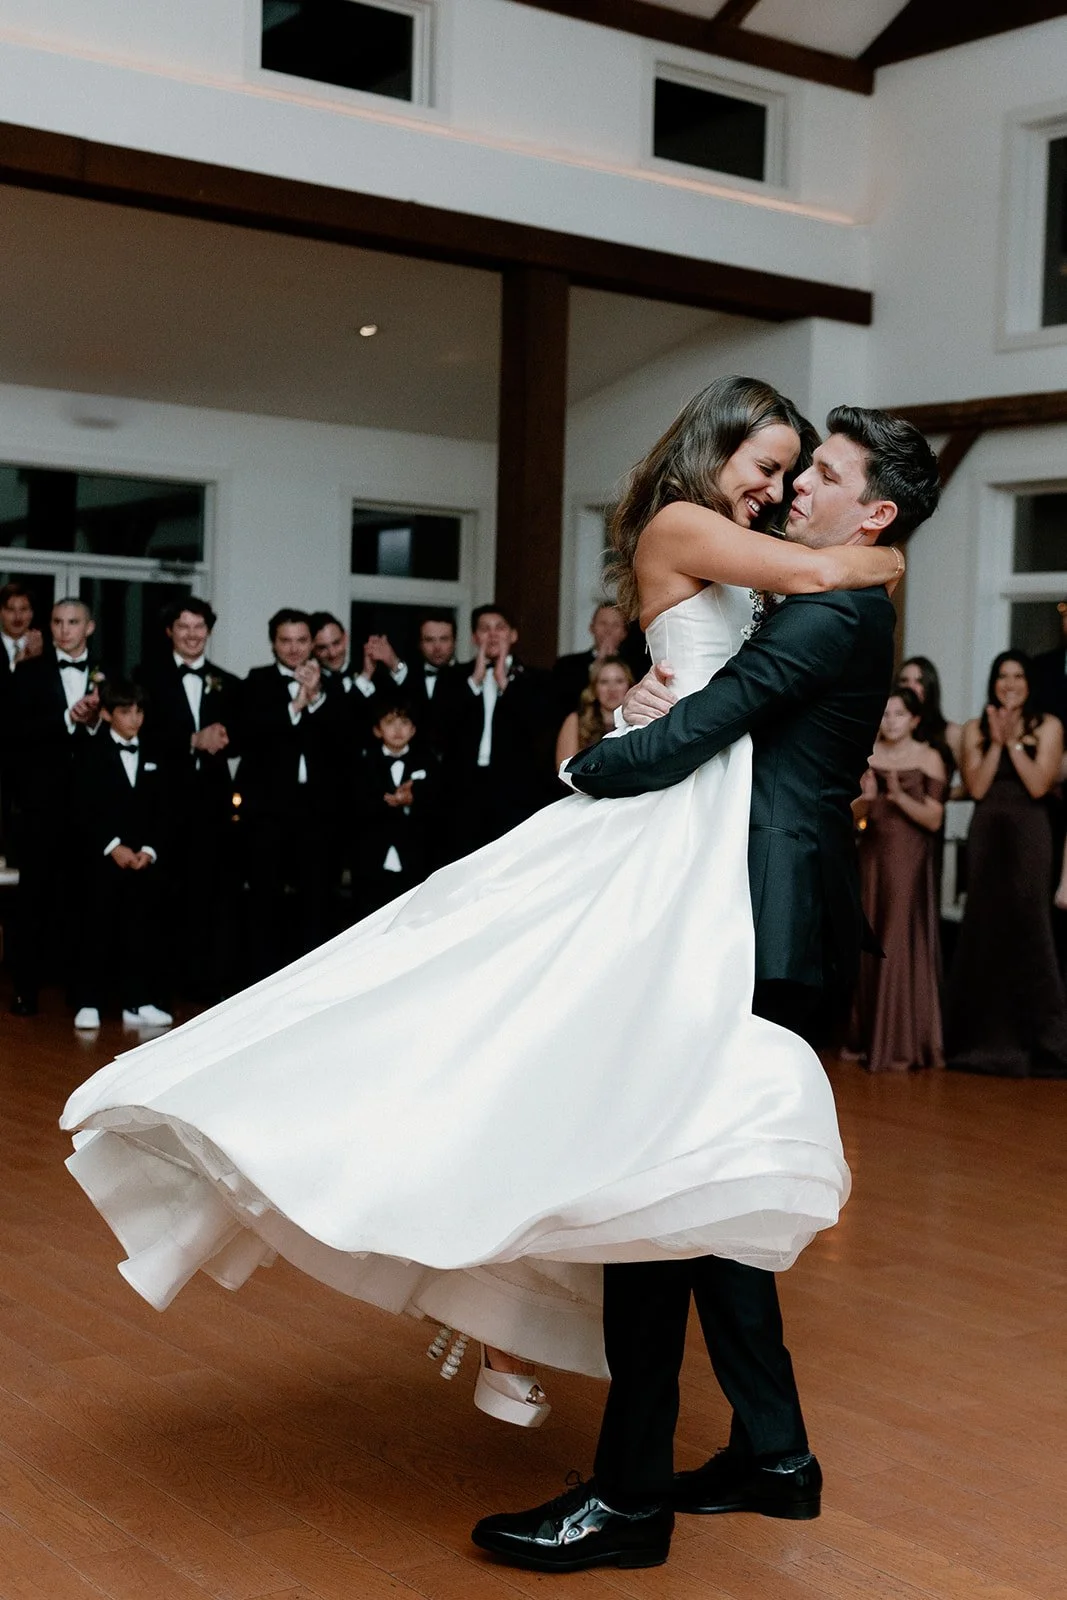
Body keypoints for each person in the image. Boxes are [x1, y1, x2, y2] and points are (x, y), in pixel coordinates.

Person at [59, 379, 903, 1459]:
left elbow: (755, 655)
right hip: (656, 824)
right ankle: (511, 1307)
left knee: (581, 1078)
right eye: (768, 463)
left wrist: (661, 691)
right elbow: (822, 571)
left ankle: (543, 1326)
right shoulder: (684, 522)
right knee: (517, 1040)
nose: (776, 486)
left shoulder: (729, 544)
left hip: (695, 838)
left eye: (795, 472)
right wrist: (881, 552)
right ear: (713, 448)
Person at [470, 402, 937, 1572]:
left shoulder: (832, 605)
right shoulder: (831, 585)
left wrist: (585, 762)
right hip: (756, 912)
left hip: (754, 922)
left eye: (818, 475)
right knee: (704, 1193)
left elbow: (703, 730)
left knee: (650, 1197)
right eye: (785, 469)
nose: (792, 491)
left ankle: (629, 1499)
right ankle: (772, 1455)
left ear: (870, 510)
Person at [945, 651, 1067, 1076]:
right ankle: (977, 1044)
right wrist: (995, 741)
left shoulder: (1049, 726)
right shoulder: (976, 728)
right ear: (993, 682)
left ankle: (1044, 1046)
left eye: (1017, 676)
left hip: (1030, 831)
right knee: (983, 924)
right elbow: (977, 787)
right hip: (987, 829)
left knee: (1030, 924)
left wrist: (1013, 739)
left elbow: (1037, 784)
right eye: (1002, 676)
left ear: (1029, 683)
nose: (1010, 683)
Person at [137, 598, 243, 1001]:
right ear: (170, 632)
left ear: (209, 632)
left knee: (210, 897)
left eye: (200, 627)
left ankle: (205, 986)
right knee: (164, 897)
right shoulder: (146, 677)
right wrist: (192, 741)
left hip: (213, 809)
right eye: (184, 627)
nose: (192, 635)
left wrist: (226, 740)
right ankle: (161, 986)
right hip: (163, 805)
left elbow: (242, 739)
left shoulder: (228, 683)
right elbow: (142, 736)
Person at [8, 597, 104, 1017]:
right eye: (57, 622)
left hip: (92, 805)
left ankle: (81, 991)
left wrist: (96, 721)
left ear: (90, 627)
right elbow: (13, 732)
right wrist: (68, 718)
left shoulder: (108, 673)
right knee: (33, 900)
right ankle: (25, 989)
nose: (64, 630)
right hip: (41, 804)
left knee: (86, 899)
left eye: (73, 622)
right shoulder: (28, 673)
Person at [846, 688, 947, 1073]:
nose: (890, 721)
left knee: (898, 940)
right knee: (869, 938)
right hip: (871, 856)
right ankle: (866, 1038)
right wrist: (867, 801)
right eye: (885, 714)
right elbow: (856, 820)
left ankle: (901, 1042)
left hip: (907, 859)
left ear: (915, 719)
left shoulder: (929, 757)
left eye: (899, 714)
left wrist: (899, 797)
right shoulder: (868, 754)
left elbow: (935, 820)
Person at [238, 608, 342, 979]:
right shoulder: (256, 681)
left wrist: (315, 698)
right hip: (267, 810)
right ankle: (260, 981)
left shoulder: (333, 685)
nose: (295, 648)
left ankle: (309, 980)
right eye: (286, 640)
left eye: (302, 640)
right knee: (264, 897)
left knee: (315, 898)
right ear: (273, 644)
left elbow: (342, 744)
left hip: (316, 812)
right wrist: (296, 704)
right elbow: (249, 736)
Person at [73, 679, 172, 1032]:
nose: (135, 719)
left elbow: (163, 807)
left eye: (139, 711)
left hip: (142, 860)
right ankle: (89, 1001)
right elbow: (84, 806)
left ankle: (138, 1000)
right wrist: (112, 845)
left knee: (141, 930)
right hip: (103, 859)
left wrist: (148, 848)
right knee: (97, 929)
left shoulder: (155, 751)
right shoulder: (90, 751)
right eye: (126, 712)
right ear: (106, 714)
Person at [445, 605, 555, 858]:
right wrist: (475, 681)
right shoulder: (455, 678)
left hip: (514, 789)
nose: (492, 635)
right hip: (465, 789)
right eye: (484, 629)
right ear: (474, 638)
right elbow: (442, 728)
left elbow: (539, 727)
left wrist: (505, 683)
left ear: (513, 636)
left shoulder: (536, 679)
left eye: (500, 628)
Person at [352, 700, 439, 917]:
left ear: (414, 729)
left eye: (404, 722)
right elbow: (354, 805)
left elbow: (439, 803)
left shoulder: (427, 761)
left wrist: (413, 799)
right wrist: (380, 800)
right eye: (390, 722)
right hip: (373, 855)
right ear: (377, 729)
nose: (398, 729)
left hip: (414, 855)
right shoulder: (364, 763)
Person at [551, 603, 629, 720]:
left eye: (615, 625)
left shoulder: (637, 666)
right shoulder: (566, 665)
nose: (608, 630)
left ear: (624, 633)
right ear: (591, 628)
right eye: (603, 623)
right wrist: (597, 666)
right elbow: (564, 703)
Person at [554, 655, 634, 766]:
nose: (612, 689)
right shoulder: (576, 720)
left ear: (629, 686)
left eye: (619, 681)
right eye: (604, 682)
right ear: (594, 688)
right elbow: (563, 768)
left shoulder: (639, 721)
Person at [895, 655, 961, 775]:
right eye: (904, 680)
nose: (910, 687)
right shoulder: (886, 727)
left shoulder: (950, 732)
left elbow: (970, 785)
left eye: (919, 681)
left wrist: (941, 792)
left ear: (930, 686)